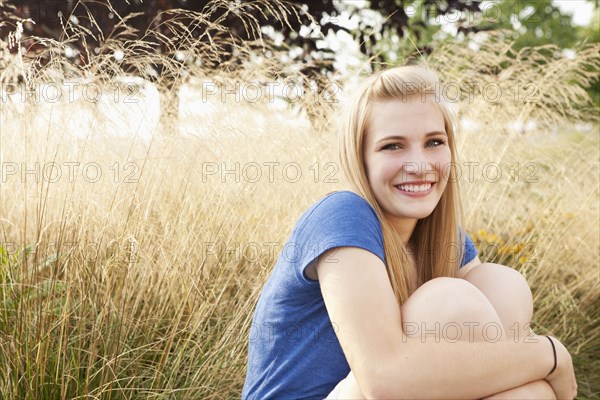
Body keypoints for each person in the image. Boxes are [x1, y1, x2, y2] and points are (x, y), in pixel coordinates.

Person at [241, 65, 577, 400]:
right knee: (449, 303)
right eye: (393, 146)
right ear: (360, 159)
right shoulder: (342, 214)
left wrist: (534, 375)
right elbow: (384, 380)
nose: (419, 165)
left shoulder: (440, 235)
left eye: (434, 142)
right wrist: (549, 355)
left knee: (504, 289)